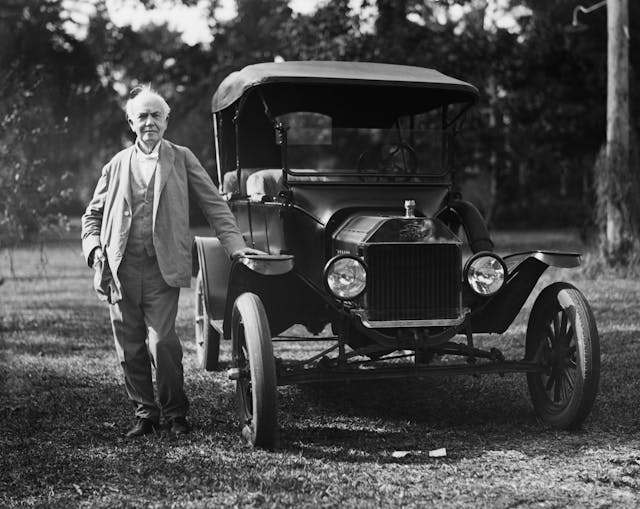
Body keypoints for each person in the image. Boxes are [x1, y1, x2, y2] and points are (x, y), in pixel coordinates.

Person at [81, 85, 260, 438]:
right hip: (120, 268)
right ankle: (146, 414)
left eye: (156, 115)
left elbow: (214, 205)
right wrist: (94, 249)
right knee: (129, 347)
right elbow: (92, 216)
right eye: (142, 116)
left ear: (167, 120)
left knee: (162, 342)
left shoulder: (181, 157)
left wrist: (235, 246)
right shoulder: (116, 164)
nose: (150, 122)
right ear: (131, 122)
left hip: (163, 267)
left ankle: (176, 413)